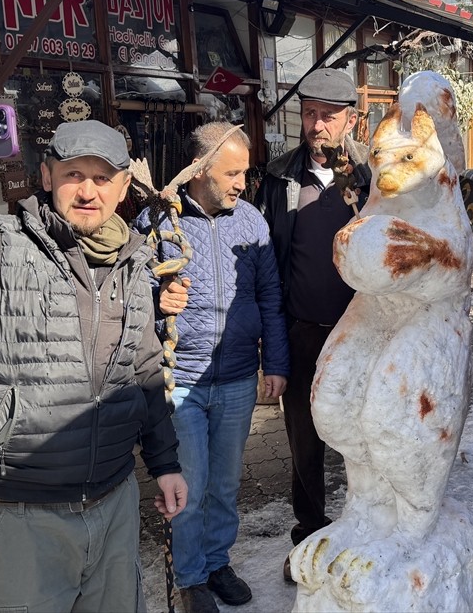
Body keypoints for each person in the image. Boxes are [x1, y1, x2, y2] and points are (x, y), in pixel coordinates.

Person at [0, 113, 188, 612]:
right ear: (47, 177)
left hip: (114, 500)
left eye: (102, 177)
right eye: (73, 175)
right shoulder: (1, 245)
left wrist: (165, 463)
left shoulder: (132, 260)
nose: (88, 191)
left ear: (125, 185)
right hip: (25, 510)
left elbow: (145, 370)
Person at [134, 121, 289, 613]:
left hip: (240, 377)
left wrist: (276, 363)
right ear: (199, 170)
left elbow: (270, 296)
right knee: (191, 485)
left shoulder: (251, 222)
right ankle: (191, 576)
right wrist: (158, 300)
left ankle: (218, 561)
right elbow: (128, 294)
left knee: (224, 484)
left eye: (245, 172)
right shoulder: (158, 221)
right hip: (181, 378)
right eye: (232, 173)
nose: (242, 183)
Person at [252, 68, 370, 582]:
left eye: (328, 115)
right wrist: (271, 346)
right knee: (305, 439)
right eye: (309, 113)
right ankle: (309, 533)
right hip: (302, 333)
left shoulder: (376, 177)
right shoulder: (278, 179)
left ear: (352, 118)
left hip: (365, 334)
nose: (317, 125)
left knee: (364, 436)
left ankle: (366, 531)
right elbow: (267, 266)